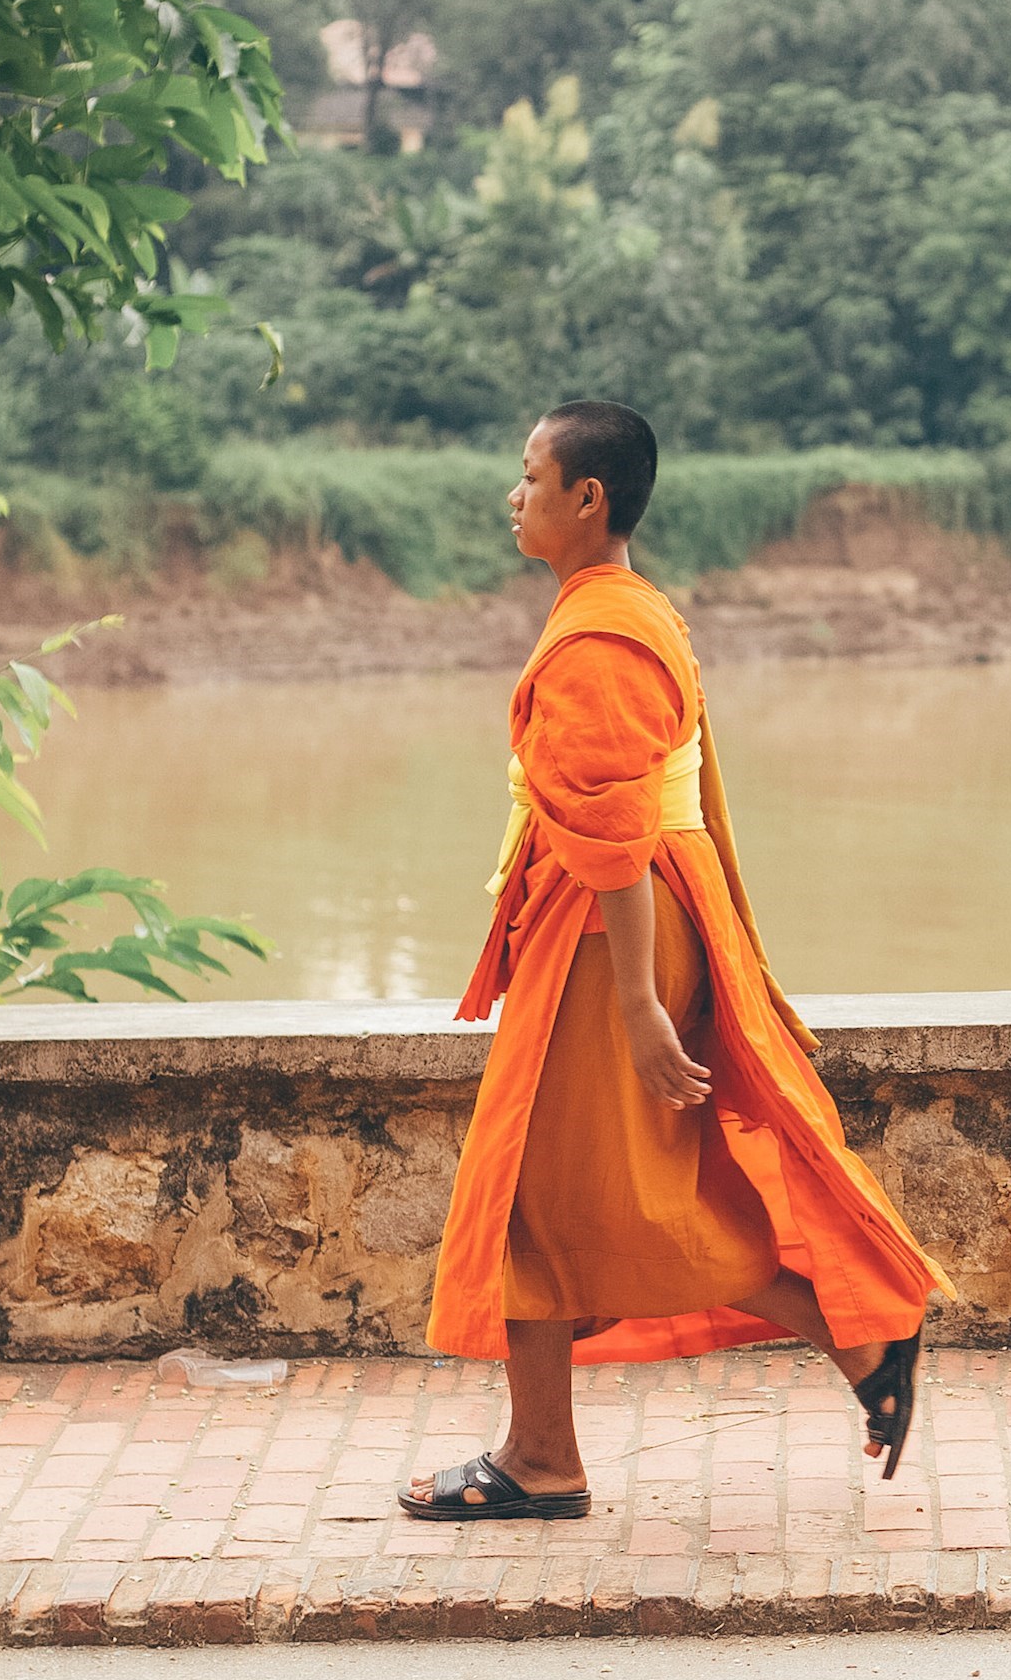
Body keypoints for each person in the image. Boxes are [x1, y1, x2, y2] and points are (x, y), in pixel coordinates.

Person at [403, 401, 951, 1522]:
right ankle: (560, 1445)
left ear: (585, 498)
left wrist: (646, 1006)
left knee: (549, 1201)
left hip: (615, 941)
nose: (514, 495)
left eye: (530, 475)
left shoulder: (601, 634)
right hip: (620, 928)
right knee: (578, 1198)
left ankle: (551, 1458)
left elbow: (615, 836)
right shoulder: (627, 609)